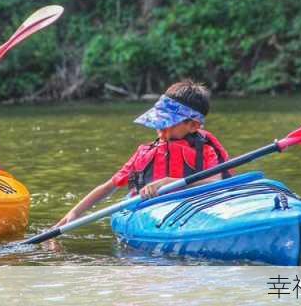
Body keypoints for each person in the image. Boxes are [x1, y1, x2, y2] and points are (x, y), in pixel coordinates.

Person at [55, 79, 231, 227]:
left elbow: (214, 182)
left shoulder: (205, 151)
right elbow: (108, 187)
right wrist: (74, 213)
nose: (159, 128)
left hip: (196, 211)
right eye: (158, 122)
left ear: (193, 125)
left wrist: (171, 182)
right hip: (151, 215)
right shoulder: (144, 153)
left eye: (167, 123)